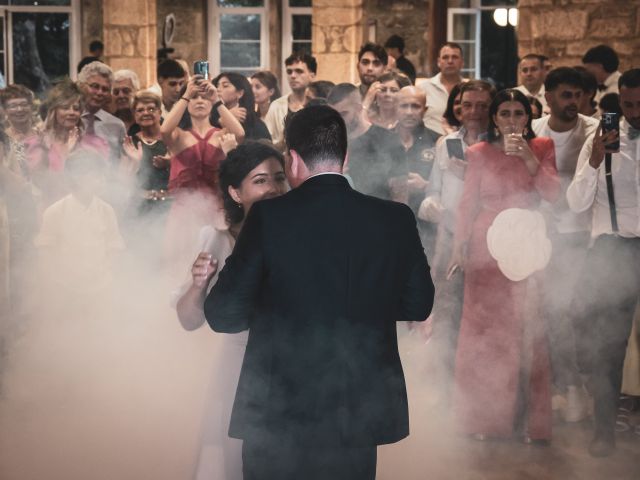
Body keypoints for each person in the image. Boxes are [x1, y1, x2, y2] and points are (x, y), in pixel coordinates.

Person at [203, 104, 434, 480]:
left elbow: (223, 314)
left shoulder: (268, 217)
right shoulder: (395, 218)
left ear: (293, 159)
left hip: (279, 409)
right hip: (357, 408)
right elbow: (419, 304)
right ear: (344, 157)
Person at [448, 89, 559, 442]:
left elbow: (555, 195)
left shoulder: (542, 147)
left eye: (518, 113)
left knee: (529, 333)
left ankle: (532, 424)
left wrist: (529, 159)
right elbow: (467, 204)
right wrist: (458, 246)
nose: (512, 120)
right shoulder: (477, 153)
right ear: (494, 118)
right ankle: (483, 421)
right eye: (505, 113)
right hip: (486, 246)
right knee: (484, 335)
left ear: (528, 117)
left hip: (527, 242)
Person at [175, 141, 287, 480]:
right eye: (261, 180)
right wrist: (198, 285)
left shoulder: (301, 235)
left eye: (279, 178)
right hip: (240, 371)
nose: (273, 189)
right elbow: (189, 320)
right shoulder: (217, 239)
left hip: (295, 365)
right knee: (237, 461)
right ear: (236, 193)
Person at [566, 68, 640, 457]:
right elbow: (576, 203)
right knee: (608, 346)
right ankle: (604, 431)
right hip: (613, 250)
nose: (635, 111)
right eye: (628, 105)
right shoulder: (601, 140)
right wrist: (595, 160)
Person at [419, 80, 495, 399]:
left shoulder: (499, 144)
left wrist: (475, 179)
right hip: (450, 239)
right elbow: (434, 189)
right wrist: (432, 204)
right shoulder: (446, 143)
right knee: (448, 316)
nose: (474, 112)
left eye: (481, 105)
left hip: (488, 242)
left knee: (485, 320)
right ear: (457, 108)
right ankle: (447, 394)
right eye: (467, 105)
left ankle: (482, 391)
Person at [532, 67, 599, 423]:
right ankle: (554, 388)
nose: (574, 102)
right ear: (549, 98)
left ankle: (574, 387)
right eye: (566, 95)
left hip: (579, 234)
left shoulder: (592, 130)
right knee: (543, 312)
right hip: (540, 233)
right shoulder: (537, 130)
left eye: (578, 95)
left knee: (570, 311)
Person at [159, 74, 244, 275]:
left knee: (218, 264)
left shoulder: (221, 134)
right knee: (180, 267)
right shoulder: (179, 136)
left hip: (215, 209)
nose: (199, 101)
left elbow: (239, 133)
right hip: (184, 212)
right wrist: (186, 94)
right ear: (187, 103)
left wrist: (217, 100)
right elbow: (164, 129)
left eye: (204, 97)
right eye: (195, 98)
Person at [25, 80, 109, 210]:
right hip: (51, 211)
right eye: (65, 108)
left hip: (86, 211)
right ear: (54, 111)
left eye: (76, 108)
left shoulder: (93, 144)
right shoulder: (39, 143)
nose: (71, 112)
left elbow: (101, 186)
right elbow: (41, 184)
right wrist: (66, 154)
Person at [327, 83, 408, 203]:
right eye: (334, 115)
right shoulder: (328, 142)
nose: (337, 120)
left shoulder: (388, 140)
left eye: (344, 114)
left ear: (359, 109)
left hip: (379, 215)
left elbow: (400, 196)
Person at [394, 86, 440, 257]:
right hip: (386, 223)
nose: (409, 112)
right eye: (404, 106)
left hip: (425, 227)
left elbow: (452, 188)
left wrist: (426, 186)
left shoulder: (437, 141)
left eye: (415, 106)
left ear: (425, 109)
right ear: (395, 107)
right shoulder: (380, 139)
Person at [121, 91, 171, 219]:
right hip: (140, 208)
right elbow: (122, 180)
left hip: (171, 206)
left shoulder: (173, 138)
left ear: (160, 113)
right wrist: (135, 163)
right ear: (135, 116)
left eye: (151, 109)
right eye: (140, 110)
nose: (146, 113)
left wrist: (171, 162)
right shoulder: (130, 142)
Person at [77, 61, 126, 165]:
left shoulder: (117, 126)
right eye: (95, 86)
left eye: (105, 89)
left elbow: (121, 164)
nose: (99, 93)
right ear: (81, 86)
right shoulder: (69, 119)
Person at [264, 53, 316, 148]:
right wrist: (284, 141)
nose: (293, 76)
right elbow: (266, 144)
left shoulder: (319, 105)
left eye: (299, 71)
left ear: (312, 76)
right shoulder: (276, 106)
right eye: (289, 71)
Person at [417, 43, 466, 135]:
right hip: (430, 145)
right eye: (445, 57)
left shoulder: (469, 91)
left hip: (463, 145)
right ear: (439, 62)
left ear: (462, 62)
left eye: (455, 57)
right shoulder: (423, 89)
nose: (450, 61)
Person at [212, 72, 271, 141]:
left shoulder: (254, 123)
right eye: (217, 86)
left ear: (240, 93)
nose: (218, 90)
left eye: (225, 86)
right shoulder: (211, 117)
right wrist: (222, 120)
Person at [0, 84, 40, 179]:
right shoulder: (3, 140)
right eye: (13, 106)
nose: (19, 109)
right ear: (5, 110)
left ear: (31, 106)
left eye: (24, 104)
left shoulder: (43, 136)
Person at [111, 69, 140, 134]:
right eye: (116, 92)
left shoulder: (148, 120)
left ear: (137, 92)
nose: (120, 96)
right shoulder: (107, 124)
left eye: (126, 91)